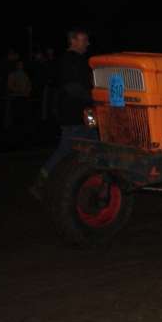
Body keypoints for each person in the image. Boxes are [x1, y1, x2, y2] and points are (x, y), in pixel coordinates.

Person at [30, 29, 98, 200]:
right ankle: (42, 181)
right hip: (73, 113)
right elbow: (72, 88)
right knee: (67, 147)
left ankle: (85, 180)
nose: (87, 43)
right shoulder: (67, 61)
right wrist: (93, 98)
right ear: (73, 41)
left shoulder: (81, 61)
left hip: (85, 113)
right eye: (84, 40)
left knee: (94, 142)